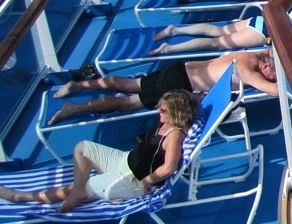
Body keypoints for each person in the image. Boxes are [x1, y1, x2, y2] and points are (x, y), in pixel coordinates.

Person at [0, 90, 198, 213]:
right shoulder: (166, 123)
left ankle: (20, 197)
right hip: (125, 160)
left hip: (132, 180)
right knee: (82, 148)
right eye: (159, 108)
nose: (158, 112)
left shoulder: (174, 135)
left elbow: (168, 168)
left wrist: (145, 182)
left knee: (71, 189)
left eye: (163, 110)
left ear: (177, 112)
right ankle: (80, 190)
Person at [48, 50, 279, 125]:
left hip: (177, 70)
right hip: (178, 84)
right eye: (274, 75)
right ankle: (74, 108)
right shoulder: (248, 73)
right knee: (128, 103)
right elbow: (275, 92)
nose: (272, 78)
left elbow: (272, 50)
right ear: (267, 67)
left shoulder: (252, 55)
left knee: (130, 84)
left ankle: (78, 85)